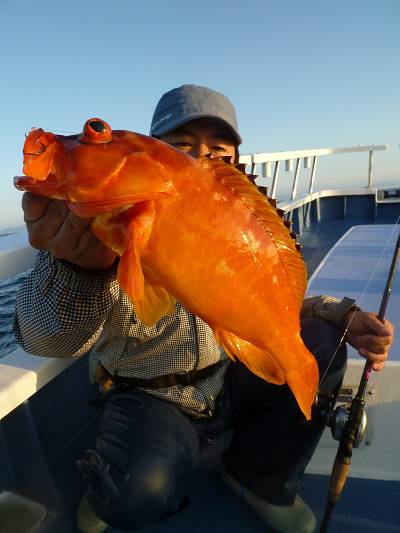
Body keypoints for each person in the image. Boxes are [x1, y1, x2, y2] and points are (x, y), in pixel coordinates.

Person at [14, 84, 394, 533]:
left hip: (225, 380)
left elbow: (267, 302)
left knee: (320, 346)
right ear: (156, 153)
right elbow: (46, 339)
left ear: (235, 161)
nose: (202, 158)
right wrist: (77, 267)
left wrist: (340, 312)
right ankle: (115, 485)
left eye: (218, 150)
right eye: (181, 146)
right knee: (131, 495)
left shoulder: (241, 224)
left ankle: (255, 481)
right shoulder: (94, 228)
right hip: (151, 397)